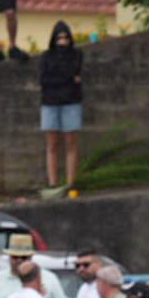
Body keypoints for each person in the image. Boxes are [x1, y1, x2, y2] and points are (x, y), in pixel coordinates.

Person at [37, 21, 82, 196]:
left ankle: (71, 183)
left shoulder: (76, 54)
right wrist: (68, 80)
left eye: (65, 37)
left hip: (71, 102)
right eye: (59, 38)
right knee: (52, 144)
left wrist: (63, 78)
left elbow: (72, 70)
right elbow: (44, 80)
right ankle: (53, 183)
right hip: (50, 103)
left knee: (71, 143)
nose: (63, 41)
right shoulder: (46, 56)